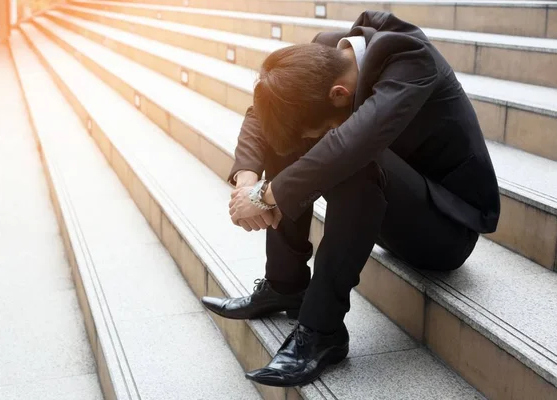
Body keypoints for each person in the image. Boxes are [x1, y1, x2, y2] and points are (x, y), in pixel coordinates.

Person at [201, 10, 500, 387]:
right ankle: (285, 285)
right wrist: (247, 182)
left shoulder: (411, 59)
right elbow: (263, 113)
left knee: (353, 159)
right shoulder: (325, 54)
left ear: (339, 94)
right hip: (389, 210)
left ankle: (322, 330)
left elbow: (355, 143)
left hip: (445, 229)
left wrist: (266, 194)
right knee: (290, 133)